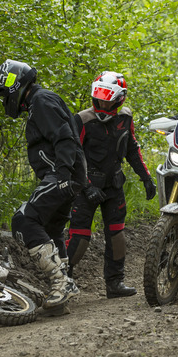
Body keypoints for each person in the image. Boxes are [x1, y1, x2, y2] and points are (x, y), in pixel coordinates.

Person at [0, 59, 87, 310]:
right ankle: (66, 285)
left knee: (24, 220)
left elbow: (64, 137)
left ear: (13, 84)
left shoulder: (41, 101)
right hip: (68, 174)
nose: (3, 100)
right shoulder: (39, 101)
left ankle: (60, 283)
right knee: (50, 229)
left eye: (2, 95)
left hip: (62, 174)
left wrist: (62, 175)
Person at [66, 71, 156, 299]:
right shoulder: (82, 119)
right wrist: (86, 187)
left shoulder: (125, 118)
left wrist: (146, 178)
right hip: (86, 186)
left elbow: (132, 149)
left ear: (119, 98)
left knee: (117, 235)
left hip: (114, 185)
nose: (103, 102)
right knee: (79, 238)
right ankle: (61, 281)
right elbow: (72, 157)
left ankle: (115, 283)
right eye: (100, 97)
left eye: (108, 98)